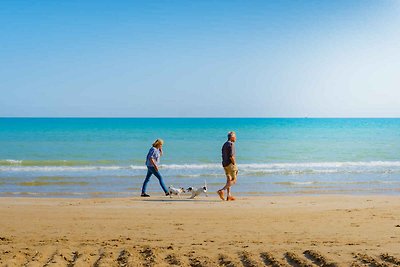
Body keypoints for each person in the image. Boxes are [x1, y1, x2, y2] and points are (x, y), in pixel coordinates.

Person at [217, 131, 238, 201]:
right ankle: (222, 190)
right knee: (234, 180)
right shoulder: (231, 144)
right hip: (230, 164)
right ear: (232, 137)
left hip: (225, 164)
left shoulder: (224, 144)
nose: (236, 138)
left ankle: (229, 195)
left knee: (229, 180)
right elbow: (231, 156)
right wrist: (234, 164)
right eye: (235, 137)